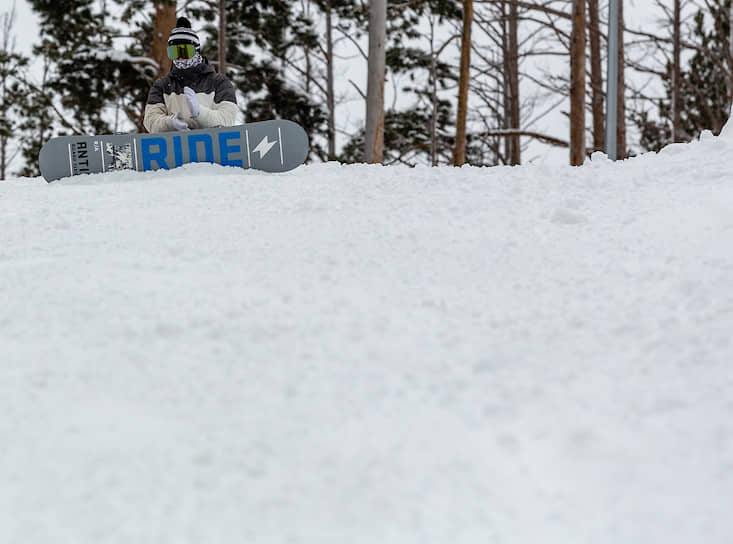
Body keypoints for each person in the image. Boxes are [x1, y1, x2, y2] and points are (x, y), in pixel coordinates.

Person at [143, 17, 238, 133]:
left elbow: (227, 121)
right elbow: (150, 121)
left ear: (196, 51)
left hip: (211, 148)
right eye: (175, 52)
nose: (181, 58)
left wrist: (199, 113)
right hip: (174, 147)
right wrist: (171, 123)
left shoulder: (219, 83)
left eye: (185, 51)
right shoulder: (161, 86)